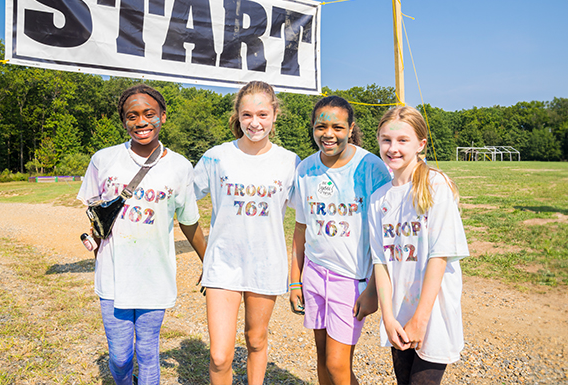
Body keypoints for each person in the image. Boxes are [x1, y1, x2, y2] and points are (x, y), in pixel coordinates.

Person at [77, 84, 206, 385]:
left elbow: (188, 221)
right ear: (123, 121)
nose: (141, 122)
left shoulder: (180, 166)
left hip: (154, 275)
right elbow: (95, 212)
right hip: (113, 275)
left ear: (163, 116)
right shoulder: (103, 160)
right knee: (121, 357)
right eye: (132, 116)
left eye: (149, 114)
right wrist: (92, 238)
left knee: (148, 352)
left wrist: (207, 260)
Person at [193, 81, 300, 385]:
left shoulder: (289, 161)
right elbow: (183, 199)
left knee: (255, 340)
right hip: (222, 265)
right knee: (219, 356)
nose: (255, 123)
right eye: (247, 115)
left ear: (275, 114)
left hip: (265, 263)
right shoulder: (217, 157)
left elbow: (307, 216)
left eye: (263, 114)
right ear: (237, 117)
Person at [289, 95, 391, 384]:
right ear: (313, 128)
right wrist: (295, 279)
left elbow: (384, 236)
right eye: (321, 127)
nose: (328, 134)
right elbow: (300, 230)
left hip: (351, 280)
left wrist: (373, 289)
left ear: (350, 128)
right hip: (314, 275)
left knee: (338, 366)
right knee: (322, 360)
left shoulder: (370, 168)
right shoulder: (305, 169)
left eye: (337, 127)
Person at [368, 106, 469, 385]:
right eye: (386, 140)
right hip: (398, 314)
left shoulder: (436, 186)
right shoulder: (378, 199)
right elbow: (381, 263)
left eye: (403, 140)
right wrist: (388, 318)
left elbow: (439, 257)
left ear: (420, 144)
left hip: (431, 314)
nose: (393, 148)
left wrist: (420, 319)